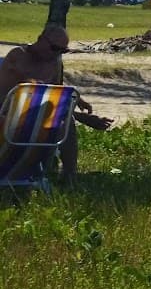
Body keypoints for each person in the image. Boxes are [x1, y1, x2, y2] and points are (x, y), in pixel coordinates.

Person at [0, 25, 114, 185]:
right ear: (40, 40)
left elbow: (53, 101)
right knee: (61, 117)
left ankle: (69, 175)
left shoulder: (54, 63)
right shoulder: (18, 56)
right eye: (54, 48)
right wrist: (83, 118)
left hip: (31, 123)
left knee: (66, 121)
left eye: (63, 50)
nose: (57, 53)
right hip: (5, 119)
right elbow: (29, 94)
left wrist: (77, 103)